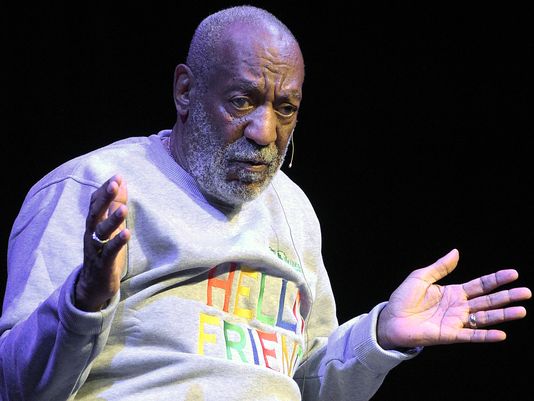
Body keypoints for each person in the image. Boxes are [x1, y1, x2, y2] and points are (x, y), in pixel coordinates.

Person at [0, 5, 531, 401]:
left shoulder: (294, 211)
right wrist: (85, 300)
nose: (265, 132)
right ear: (185, 91)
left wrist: (377, 335)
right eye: (242, 101)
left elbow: (309, 382)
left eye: (286, 108)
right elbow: (20, 387)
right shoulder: (91, 189)